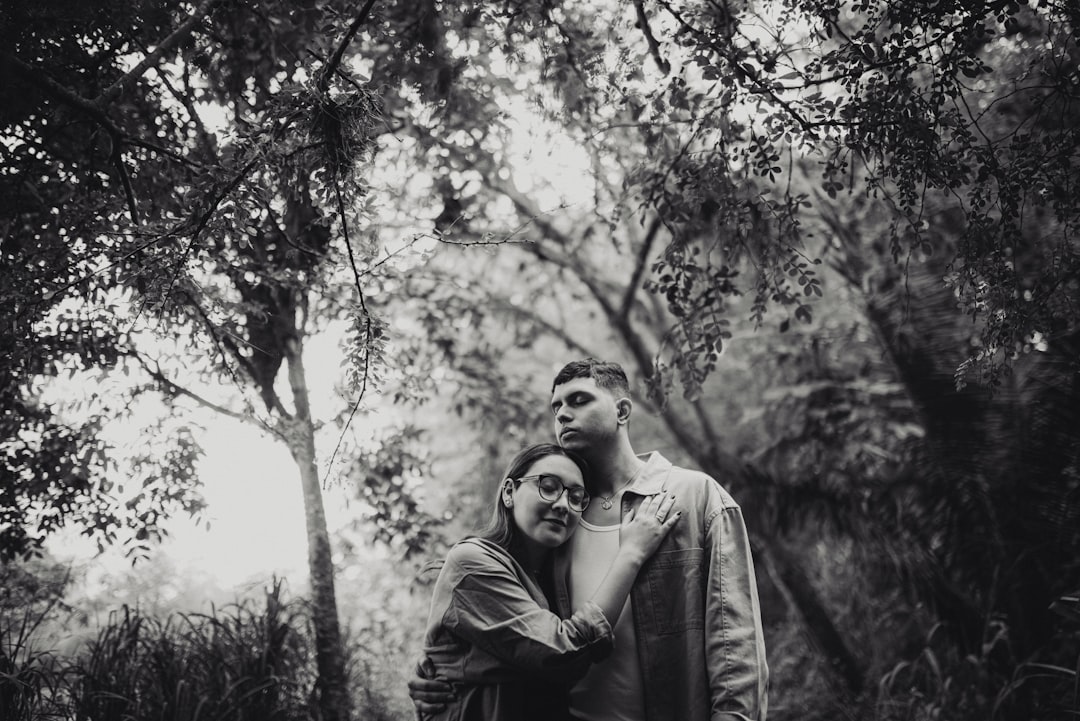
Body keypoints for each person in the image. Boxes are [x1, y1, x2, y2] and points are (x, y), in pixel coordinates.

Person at [411, 359, 769, 721]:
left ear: (622, 411)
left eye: (579, 400)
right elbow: (528, 637)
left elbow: (734, 641)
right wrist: (444, 670)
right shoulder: (558, 523)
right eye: (556, 407)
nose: (563, 414)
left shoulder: (695, 496)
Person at [419, 442, 679, 720]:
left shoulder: (554, 578)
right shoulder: (472, 562)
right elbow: (562, 654)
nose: (563, 505)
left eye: (576, 497)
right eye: (548, 486)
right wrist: (631, 554)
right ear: (509, 492)